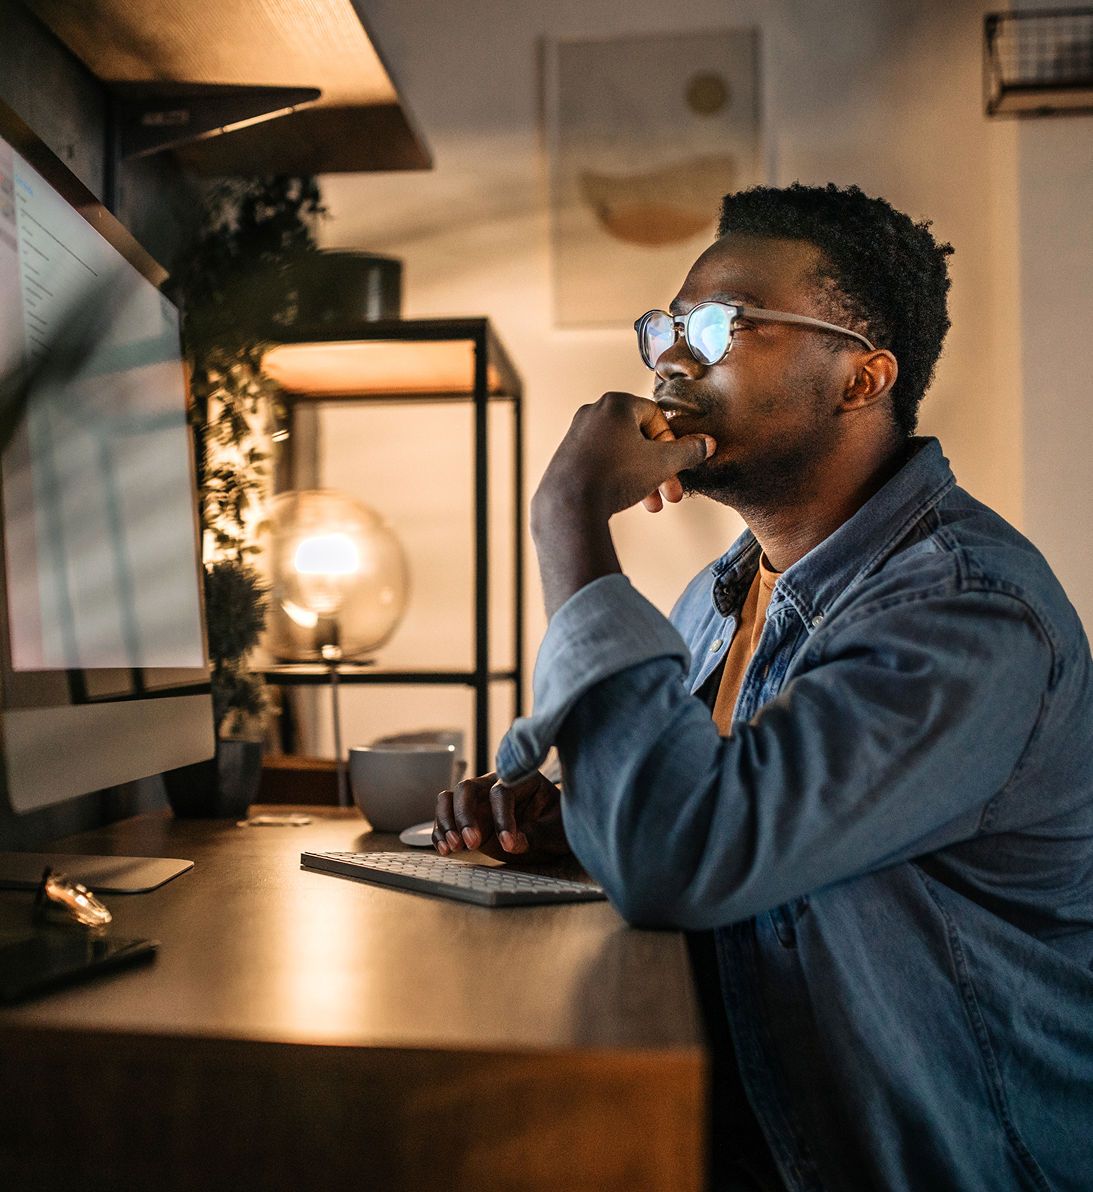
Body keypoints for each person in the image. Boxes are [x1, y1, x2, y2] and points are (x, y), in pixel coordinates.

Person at [433, 183, 1093, 1192]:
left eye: (717, 325)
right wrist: (585, 821)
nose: (670, 356)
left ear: (863, 377)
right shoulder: (721, 593)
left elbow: (680, 855)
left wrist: (566, 518)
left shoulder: (969, 616)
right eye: (664, 324)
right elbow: (711, 827)